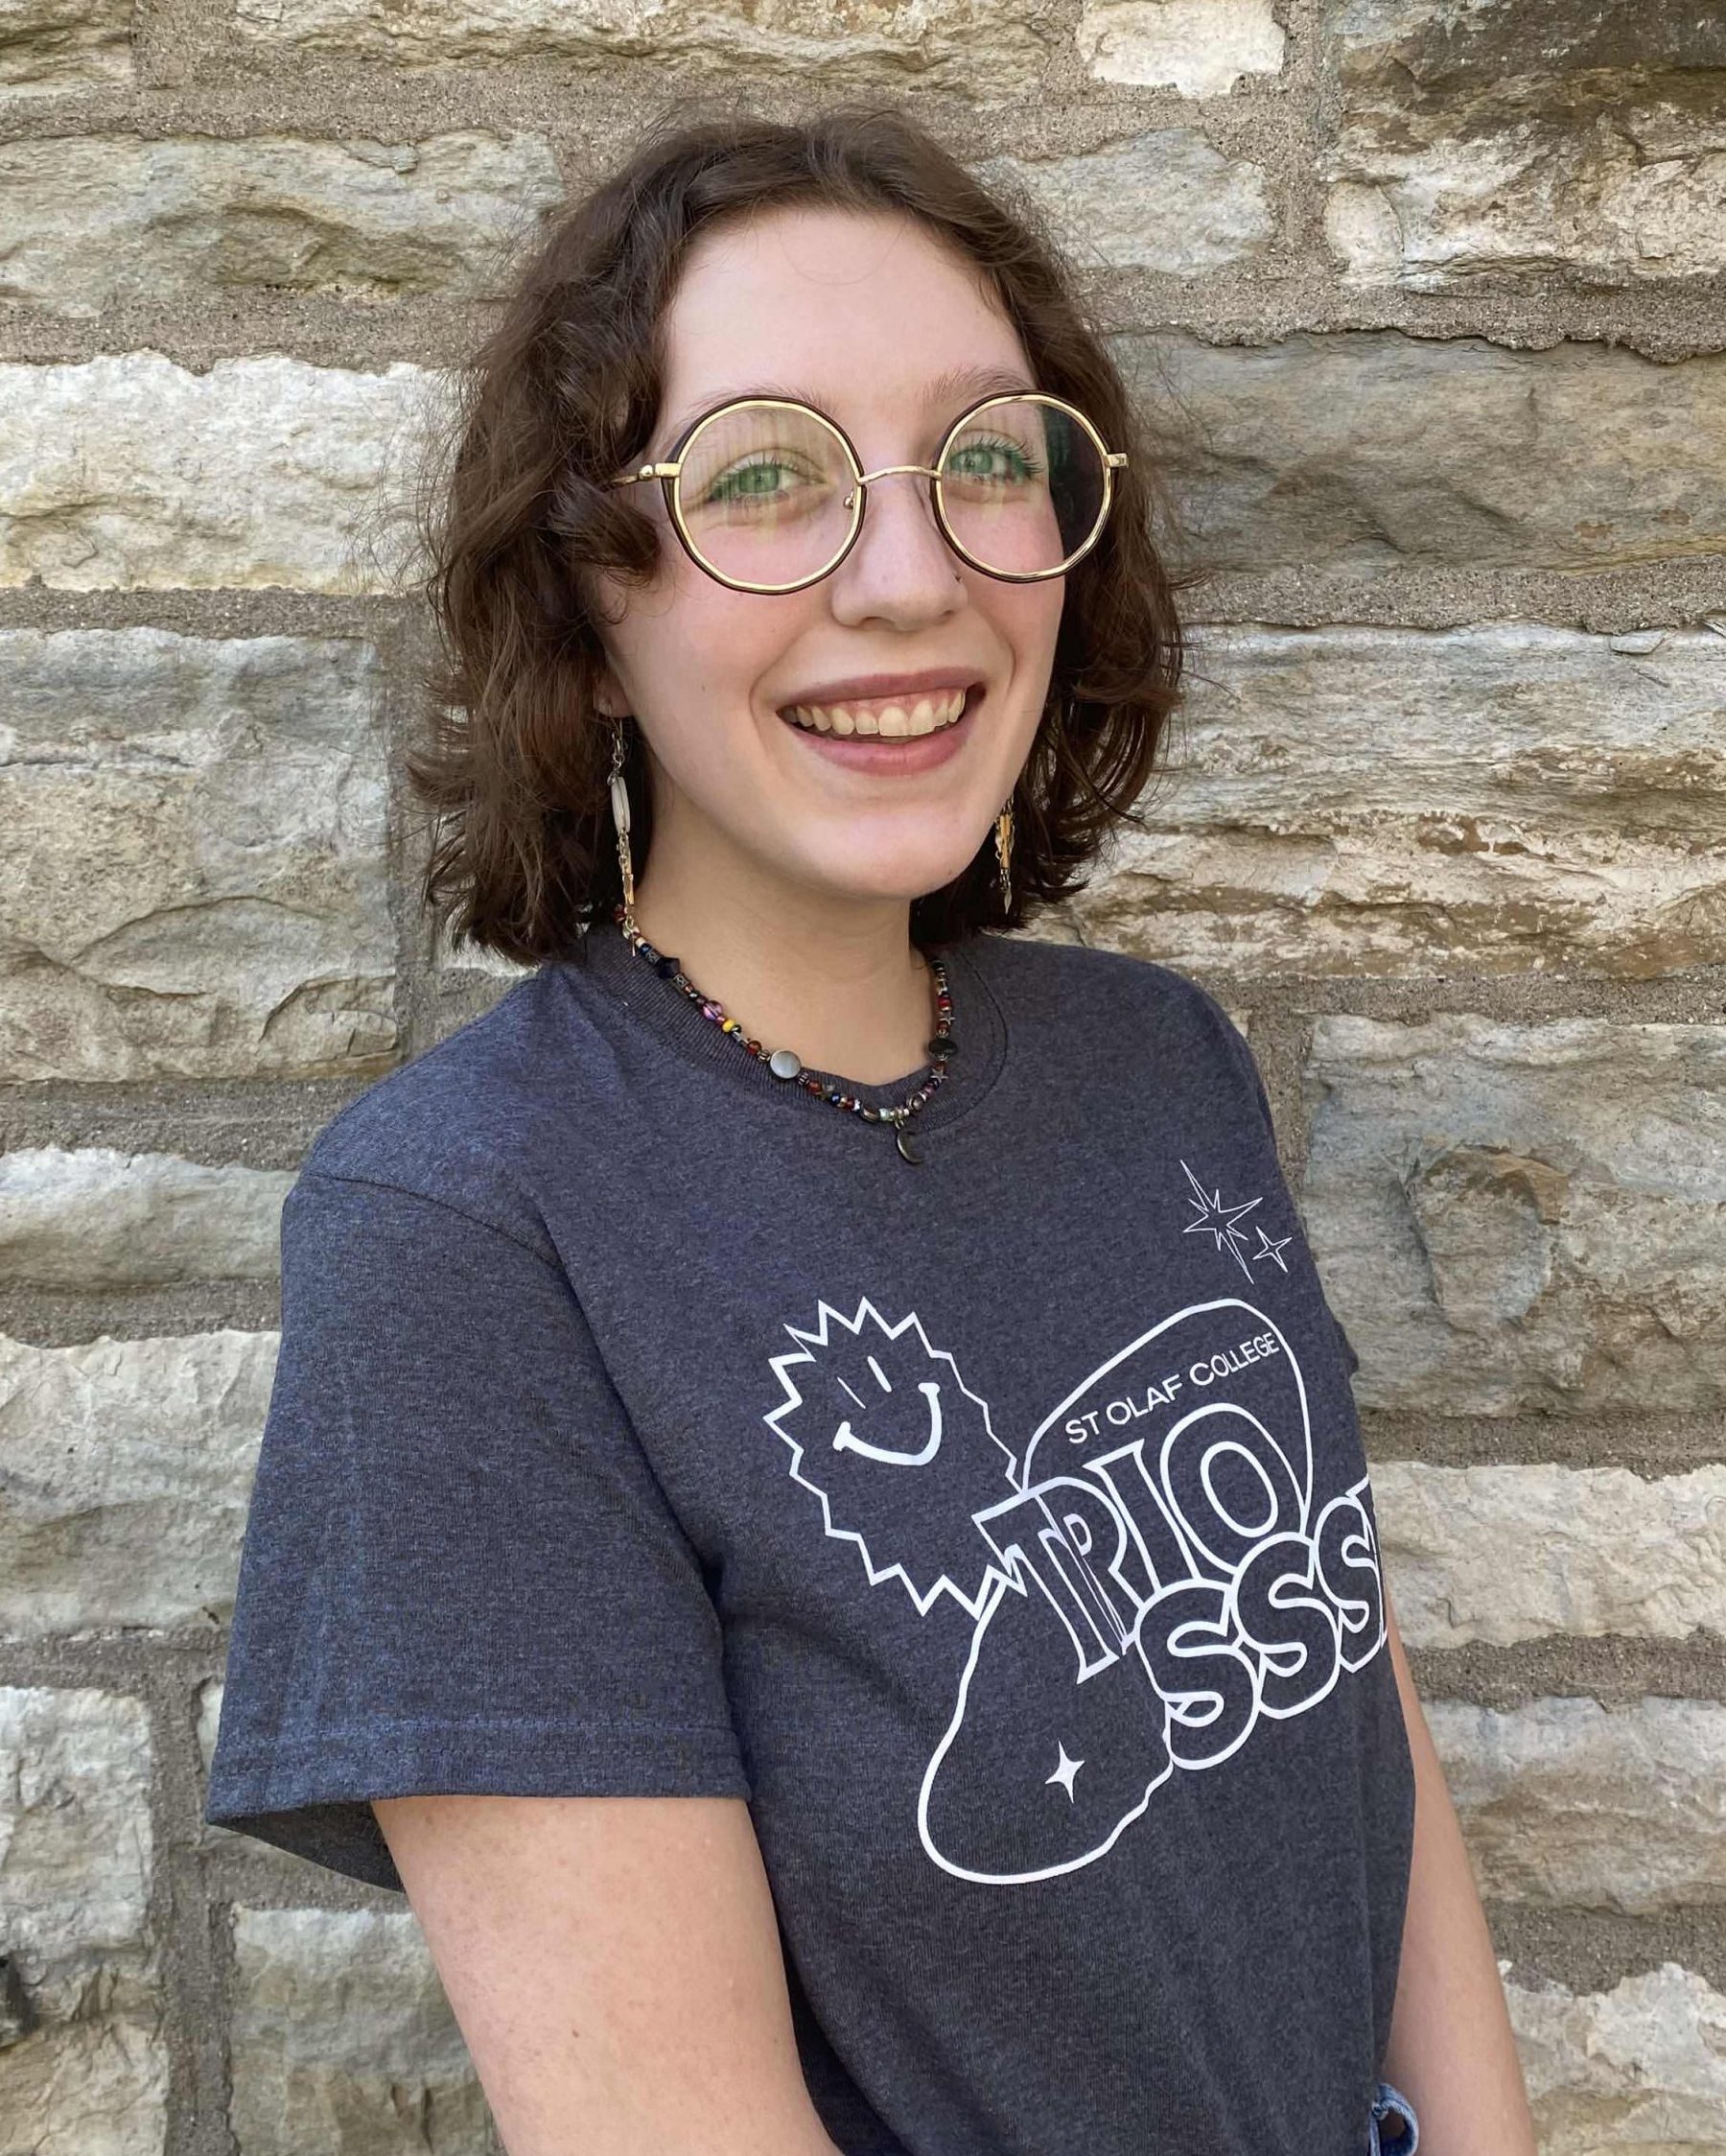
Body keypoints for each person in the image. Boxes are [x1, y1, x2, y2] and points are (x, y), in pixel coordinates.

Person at [204, 105, 1537, 2156]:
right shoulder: (471, 1226)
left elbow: (1348, 1684)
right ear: (589, 586)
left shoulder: (1160, 1064)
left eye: (985, 461)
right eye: (766, 482)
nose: (910, 578)